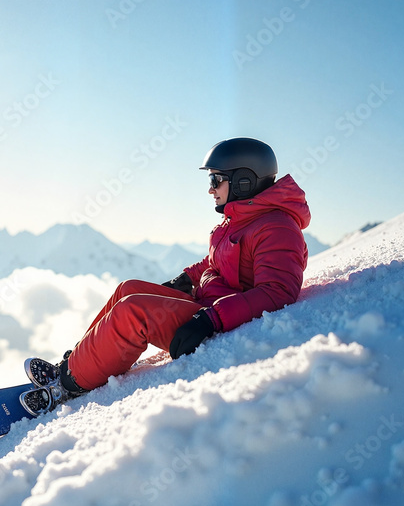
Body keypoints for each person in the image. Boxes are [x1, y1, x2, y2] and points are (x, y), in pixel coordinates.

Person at [20, 137, 311, 416]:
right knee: (128, 288)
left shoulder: (277, 228)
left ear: (243, 181)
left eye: (215, 180)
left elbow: (278, 291)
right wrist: (186, 279)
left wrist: (212, 319)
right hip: (206, 307)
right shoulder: (242, 219)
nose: (210, 190)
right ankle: (76, 362)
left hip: (217, 322)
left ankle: (67, 386)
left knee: (134, 312)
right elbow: (217, 260)